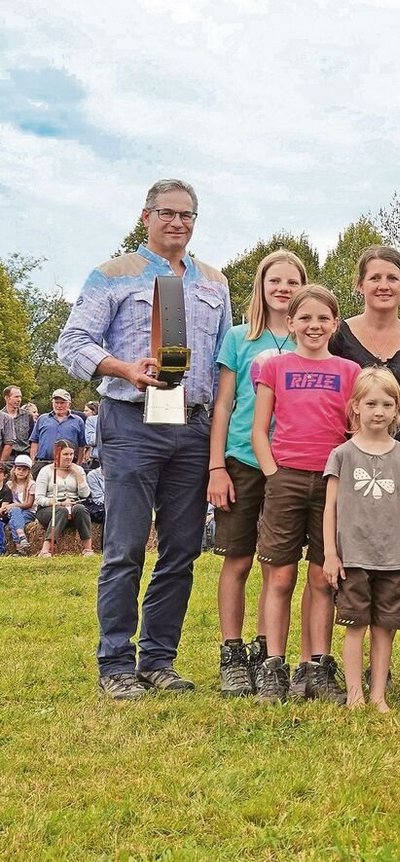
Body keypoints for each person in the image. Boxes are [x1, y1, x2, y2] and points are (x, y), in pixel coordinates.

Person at [56, 178, 232, 700]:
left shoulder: (215, 282)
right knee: (126, 546)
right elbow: (72, 342)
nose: (177, 222)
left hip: (193, 425)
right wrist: (124, 368)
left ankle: (158, 660)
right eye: (167, 213)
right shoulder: (113, 274)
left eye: (187, 215)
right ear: (146, 216)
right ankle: (115, 664)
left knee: (182, 549)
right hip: (132, 421)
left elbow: (224, 360)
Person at [250, 285, 361, 703]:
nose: (314, 326)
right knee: (280, 576)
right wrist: (273, 474)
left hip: (332, 483)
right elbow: (259, 430)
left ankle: (316, 667)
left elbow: (355, 431)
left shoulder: (349, 371)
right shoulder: (275, 368)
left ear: (335, 324)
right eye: (306, 318)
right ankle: (273, 666)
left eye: (323, 318)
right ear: (291, 322)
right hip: (286, 479)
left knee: (321, 577)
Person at [208, 248, 306, 697]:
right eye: (275, 281)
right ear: (261, 287)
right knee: (239, 559)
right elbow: (224, 404)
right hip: (243, 460)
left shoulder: (310, 336)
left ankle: (268, 652)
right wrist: (216, 466)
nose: (283, 288)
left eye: (292, 282)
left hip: (290, 463)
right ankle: (232, 652)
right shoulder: (239, 337)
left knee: (276, 564)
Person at [323, 368, 400, 711]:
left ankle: (378, 694)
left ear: (398, 409)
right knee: (356, 627)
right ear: (355, 406)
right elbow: (330, 507)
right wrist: (330, 554)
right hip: (353, 557)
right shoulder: (342, 455)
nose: (378, 411)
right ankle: (354, 694)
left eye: (386, 404)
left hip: (395, 557)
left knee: (385, 628)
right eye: (371, 404)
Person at [329, 245, 400, 503]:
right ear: (360, 285)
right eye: (375, 278)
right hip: (350, 462)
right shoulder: (338, 337)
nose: (384, 286)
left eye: (392, 278)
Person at [34, 439, 93, 557]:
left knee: (81, 509)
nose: (69, 457)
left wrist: (78, 474)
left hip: (73, 505)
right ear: (57, 455)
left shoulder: (78, 470)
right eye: (65, 454)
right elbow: (39, 498)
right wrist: (59, 503)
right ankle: (45, 550)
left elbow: (85, 494)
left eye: (71, 454)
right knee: (61, 511)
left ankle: (88, 549)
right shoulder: (46, 471)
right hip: (49, 508)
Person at [29, 389, 87, 470]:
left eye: (62, 403)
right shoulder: (42, 419)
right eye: (56, 402)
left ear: (69, 404)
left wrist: (78, 465)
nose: (59, 406)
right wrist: (33, 461)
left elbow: (82, 445)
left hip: (69, 464)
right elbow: (35, 441)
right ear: (52, 403)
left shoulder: (78, 421)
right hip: (43, 463)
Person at [2, 455, 37, 553]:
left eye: (24, 470)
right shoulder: (9, 484)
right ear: (14, 470)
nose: (21, 472)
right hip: (12, 512)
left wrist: (13, 505)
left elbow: (29, 504)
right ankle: (22, 539)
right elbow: (6, 501)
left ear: (28, 471)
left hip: (28, 512)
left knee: (13, 521)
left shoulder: (31, 484)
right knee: (15, 513)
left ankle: (18, 546)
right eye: (19, 469)